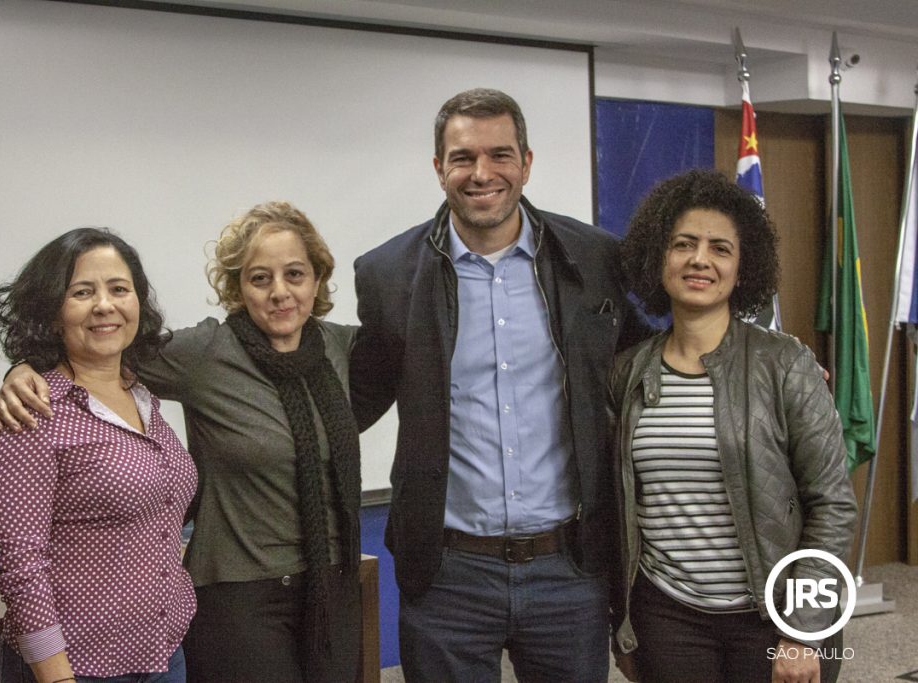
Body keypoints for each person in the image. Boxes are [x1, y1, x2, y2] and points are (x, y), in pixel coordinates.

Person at [350, 87, 653, 681]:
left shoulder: (594, 260)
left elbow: (658, 358)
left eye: (500, 155)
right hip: (448, 575)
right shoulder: (388, 274)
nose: (481, 173)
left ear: (527, 163)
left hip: (569, 567)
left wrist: (757, 366)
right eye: (462, 157)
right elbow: (353, 401)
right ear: (439, 168)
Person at [0, 202, 361, 682]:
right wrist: (23, 367)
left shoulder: (141, 399)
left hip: (171, 644)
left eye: (295, 273)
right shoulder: (41, 411)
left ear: (318, 278)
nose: (280, 292)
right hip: (124, 643)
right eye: (259, 278)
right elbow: (20, 562)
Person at [611, 169, 857, 683]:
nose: (700, 259)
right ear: (659, 259)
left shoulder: (785, 364)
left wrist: (804, 630)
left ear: (743, 270)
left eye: (720, 248)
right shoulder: (627, 371)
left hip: (774, 617)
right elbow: (617, 510)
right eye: (683, 244)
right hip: (668, 615)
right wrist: (624, 623)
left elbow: (831, 503)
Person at [0, 228, 197, 683]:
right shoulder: (30, 413)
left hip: (161, 655)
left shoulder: (141, 395)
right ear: (52, 312)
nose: (105, 305)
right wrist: (57, 677)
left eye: (119, 289)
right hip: (76, 668)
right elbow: (21, 568)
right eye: (82, 292)